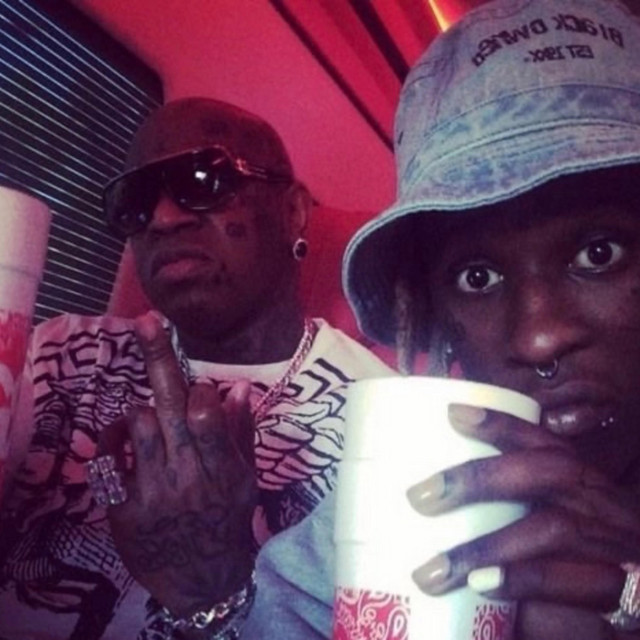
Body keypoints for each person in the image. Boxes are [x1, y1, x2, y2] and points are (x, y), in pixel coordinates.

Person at [241, 0, 640, 638]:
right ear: (434, 314)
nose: (539, 337)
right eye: (476, 278)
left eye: (599, 253)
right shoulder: (400, 503)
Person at [0, 98, 391, 639]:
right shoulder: (55, 353)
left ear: (293, 212)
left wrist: (213, 595)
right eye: (135, 201)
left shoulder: (387, 424)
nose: (163, 218)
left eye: (204, 179)